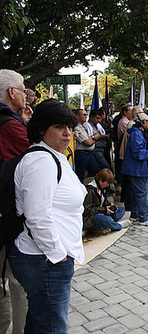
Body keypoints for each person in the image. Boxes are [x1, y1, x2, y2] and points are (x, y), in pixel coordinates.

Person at [8, 99, 88, 333]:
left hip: (47, 259)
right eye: (59, 127)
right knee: (52, 327)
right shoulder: (41, 161)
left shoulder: (51, 156)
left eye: (70, 128)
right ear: (41, 129)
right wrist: (58, 256)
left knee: (40, 323)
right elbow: (37, 217)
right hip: (43, 259)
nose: (67, 134)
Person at [0, 69, 30, 334]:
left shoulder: (11, 121)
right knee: (16, 281)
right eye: (22, 90)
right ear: (11, 92)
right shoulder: (9, 125)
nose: (26, 95)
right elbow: (33, 158)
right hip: (7, 212)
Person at [121, 113, 148, 226]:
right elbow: (138, 153)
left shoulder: (137, 134)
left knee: (136, 193)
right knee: (141, 193)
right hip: (136, 169)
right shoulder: (137, 135)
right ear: (141, 123)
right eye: (147, 121)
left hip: (136, 168)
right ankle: (144, 218)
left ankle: (135, 215)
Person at [83, 169, 128, 234]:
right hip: (91, 217)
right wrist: (104, 210)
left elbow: (102, 202)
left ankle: (110, 223)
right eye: (106, 183)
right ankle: (117, 225)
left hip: (101, 212)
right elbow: (87, 210)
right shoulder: (90, 190)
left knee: (121, 210)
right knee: (105, 220)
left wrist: (110, 206)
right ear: (101, 180)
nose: (107, 186)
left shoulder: (102, 188)